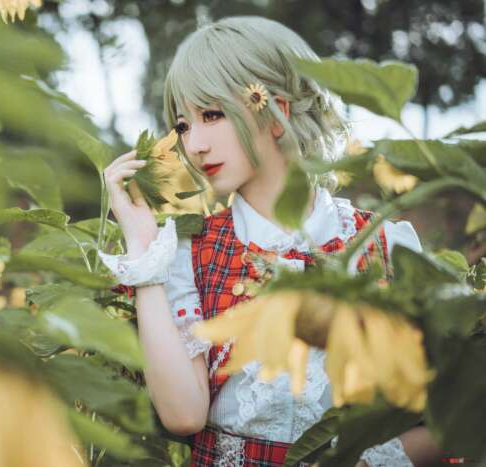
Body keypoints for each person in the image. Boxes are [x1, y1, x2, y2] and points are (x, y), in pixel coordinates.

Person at [98, 16, 441, 467]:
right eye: (183, 126)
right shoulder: (190, 254)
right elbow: (183, 414)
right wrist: (143, 248)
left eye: (212, 115)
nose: (194, 144)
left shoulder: (384, 245)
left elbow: (452, 418)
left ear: (275, 112)